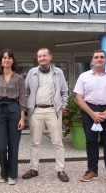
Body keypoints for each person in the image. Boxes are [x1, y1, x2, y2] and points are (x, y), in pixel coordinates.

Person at [74, 49, 106, 186]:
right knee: (91, 142)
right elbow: (79, 98)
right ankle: (92, 171)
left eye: (101, 57)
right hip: (89, 110)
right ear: (92, 61)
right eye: (96, 57)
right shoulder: (83, 76)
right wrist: (92, 113)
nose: (99, 59)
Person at [22, 48, 69, 182]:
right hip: (35, 111)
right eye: (39, 56)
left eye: (44, 55)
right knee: (35, 142)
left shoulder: (58, 72)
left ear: (50, 57)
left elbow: (65, 91)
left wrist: (62, 106)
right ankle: (33, 169)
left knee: (57, 142)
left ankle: (60, 170)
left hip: (53, 111)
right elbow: (26, 91)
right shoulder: (32, 72)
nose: (42, 58)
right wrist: (27, 106)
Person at [0, 49, 26, 185]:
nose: (7, 60)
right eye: (4, 57)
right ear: (1, 60)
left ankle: (11, 174)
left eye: (9, 57)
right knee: (0, 145)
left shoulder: (19, 78)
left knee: (13, 145)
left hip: (14, 109)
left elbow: (22, 98)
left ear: (13, 60)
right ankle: (3, 171)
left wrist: (22, 118)